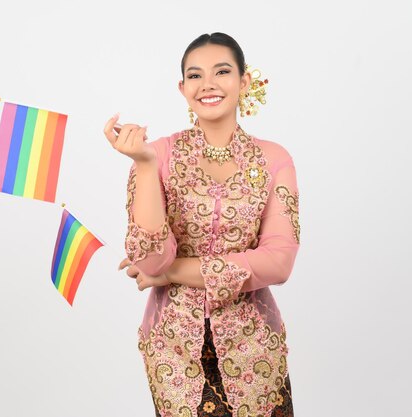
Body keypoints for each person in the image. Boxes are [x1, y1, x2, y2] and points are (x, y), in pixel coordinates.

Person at [103, 32, 300, 417]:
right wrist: (143, 165)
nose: (207, 84)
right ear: (182, 88)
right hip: (174, 348)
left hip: (255, 344)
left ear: (244, 81)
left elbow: (279, 262)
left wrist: (173, 273)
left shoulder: (275, 159)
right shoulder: (156, 154)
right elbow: (149, 260)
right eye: (195, 76)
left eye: (222, 71)